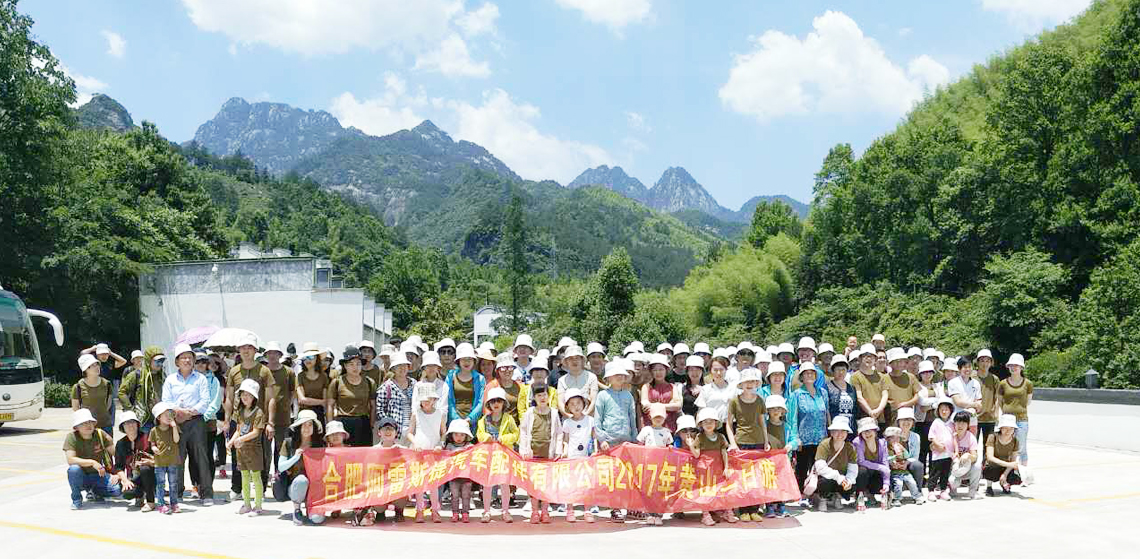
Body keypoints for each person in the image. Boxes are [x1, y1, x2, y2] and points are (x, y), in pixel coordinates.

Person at [161, 343, 216, 506]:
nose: (187, 360)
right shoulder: (170, 380)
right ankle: (177, 493)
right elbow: (166, 401)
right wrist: (178, 412)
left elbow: (205, 401)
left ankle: (206, 493)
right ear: (177, 361)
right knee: (177, 458)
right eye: (183, 358)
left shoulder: (200, 379)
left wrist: (188, 413)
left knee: (201, 457)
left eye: (190, 357)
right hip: (176, 422)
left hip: (196, 422)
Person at [225, 337, 274, 498]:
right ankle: (237, 488)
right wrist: (227, 420)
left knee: (261, 453)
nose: (246, 350)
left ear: (255, 350)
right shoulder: (233, 371)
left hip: (258, 419)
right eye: (242, 347)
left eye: (250, 347)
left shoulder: (264, 371)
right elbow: (229, 397)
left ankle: (261, 488)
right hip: (238, 418)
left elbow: (270, 398)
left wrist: (270, 422)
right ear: (238, 350)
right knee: (237, 452)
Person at [725, 368, 767, 522]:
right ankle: (743, 509)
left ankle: (754, 509)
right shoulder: (734, 401)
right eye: (747, 381)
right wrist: (733, 443)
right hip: (741, 442)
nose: (750, 384)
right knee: (742, 477)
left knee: (756, 476)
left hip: (758, 442)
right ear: (741, 384)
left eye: (753, 381)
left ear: (757, 383)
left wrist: (766, 441)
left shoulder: (760, 400)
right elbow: (728, 424)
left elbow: (762, 422)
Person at [519, 381, 561, 524]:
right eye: (539, 395)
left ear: (549, 396)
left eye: (544, 395)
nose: (542, 398)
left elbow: (559, 433)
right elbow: (524, 431)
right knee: (534, 484)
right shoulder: (529, 413)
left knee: (547, 484)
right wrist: (524, 450)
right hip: (533, 454)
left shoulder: (554, 413)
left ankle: (545, 511)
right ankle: (534, 511)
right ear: (534, 398)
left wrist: (558, 450)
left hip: (548, 454)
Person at [64, 408, 122, 509]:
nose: (88, 425)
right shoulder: (71, 437)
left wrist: (118, 474)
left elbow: (117, 455)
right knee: (73, 469)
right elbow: (71, 460)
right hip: (82, 476)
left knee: (117, 490)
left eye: (90, 422)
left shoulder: (100, 434)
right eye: (84, 423)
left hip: (98, 475)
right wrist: (92, 462)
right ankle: (77, 499)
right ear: (77, 427)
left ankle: (95, 492)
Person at [689, 408, 738, 526]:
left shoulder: (721, 437)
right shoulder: (700, 437)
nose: (709, 424)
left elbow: (724, 453)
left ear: (716, 423)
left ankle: (728, 511)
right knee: (705, 491)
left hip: (718, 468)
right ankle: (705, 514)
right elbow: (696, 454)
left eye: (711, 421)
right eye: (705, 422)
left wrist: (726, 467)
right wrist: (691, 445)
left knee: (723, 489)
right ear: (701, 424)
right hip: (705, 470)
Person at [476, 387, 517, 523]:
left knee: (504, 484)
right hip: (488, 456)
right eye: (493, 401)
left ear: (504, 403)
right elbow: (479, 434)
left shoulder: (509, 419)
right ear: (489, 404)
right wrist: (485, 437)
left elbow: (516, 434)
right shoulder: (483, 420)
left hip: (504, 456)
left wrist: (504, 439)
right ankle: (487, 511)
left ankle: (505, 510)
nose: (496, 403)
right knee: (487, 484)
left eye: (499, 400)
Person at [278, 409, 325, 525]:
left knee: (317, 519)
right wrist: (295, 458)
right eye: (303, 424)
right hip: (296, 486)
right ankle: (297, 509)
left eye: (310, 424)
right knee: (301, 480)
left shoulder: (320, 445)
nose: (307, 428)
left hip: (315, 489)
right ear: (299, 427)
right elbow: (280, 467)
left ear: (314, 427)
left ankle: (311, 508)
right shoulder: (289, 442)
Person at [560, 388, 599, 523]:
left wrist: (595, 450)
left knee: (586, 483)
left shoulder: (590, 420)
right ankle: (570, 509)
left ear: (584, 403)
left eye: (578, 403)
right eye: (572, 404)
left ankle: (587, 510)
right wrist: (565, 451)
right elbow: (566, 439)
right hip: (572, 456)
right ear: (567, 407)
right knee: (571, 483)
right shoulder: (567, 422)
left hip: (586, 456)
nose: (576, 406)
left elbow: (594, 437)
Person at [788, 364, 827, 498]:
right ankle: (800, 494)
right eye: (806, 373)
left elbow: (826, 413)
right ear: (802, 377)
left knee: (819, 467)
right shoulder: (796, 395)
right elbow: (793, 418)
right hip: (803, 439)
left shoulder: (823, 393)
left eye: (812, 373)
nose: (809, 375)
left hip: (821, 437)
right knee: (802, 468)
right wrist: (795, 438)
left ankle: (816, 494)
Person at [228, 378, 266, 516]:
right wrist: (231, 441)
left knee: (256, 477)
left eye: (248, 395)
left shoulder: (259, 412)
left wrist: (240, 439)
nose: (245, 397)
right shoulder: (240, 411)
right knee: (244, 476)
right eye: (243, 394)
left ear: (254, 397)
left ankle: (258, 505)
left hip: (254, 450)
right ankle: (247, 504)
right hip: (241, 450)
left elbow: (256, 432)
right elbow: (238, 430)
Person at [409, 383, 446, 523]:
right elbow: (410, 433)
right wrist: (415, 443)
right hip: (418, 453)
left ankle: (435, 510)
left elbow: (444, 433)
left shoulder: (440, 414)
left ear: (434, 399)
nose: (426, 402)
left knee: (434, 484)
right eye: (423, 399)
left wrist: (440, 444)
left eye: (429, 399)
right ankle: (419, 510)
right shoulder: (416, 413)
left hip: (434, 452)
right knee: (419, 483)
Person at [326, 345, 376, 447]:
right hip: (342, 424)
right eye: (351, 364)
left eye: (358, 364)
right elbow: (330, 405)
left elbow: (373, 406)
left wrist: (371, 424)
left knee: (363, 454)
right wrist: (331, 427)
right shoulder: (337, 382)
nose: (355, 367)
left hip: (363, 423)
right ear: (345, 365)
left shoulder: (369, 382)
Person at [636, 403, 672, 526]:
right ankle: (649, 514)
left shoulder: (667, 432)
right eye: (656, 416)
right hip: (647, 466)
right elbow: (639, 445)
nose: (658, 419)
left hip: (661, 467)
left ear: (665, 417)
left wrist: (670, 448)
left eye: (660, 416)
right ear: (650, 417)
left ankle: (658, 514)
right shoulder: (646, 430)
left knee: (659, 490)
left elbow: (670, 446)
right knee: (648, 489)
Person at [263, 341, 295, 477]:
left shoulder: (289, 372)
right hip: (264, 416)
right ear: (266, 355)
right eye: (269, 353)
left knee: (281, 449)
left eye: (275, 353)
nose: (272, 355)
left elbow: (292, 391)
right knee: (265, 450)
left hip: (283, 416)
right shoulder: (262, 371)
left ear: (280, 355)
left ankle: (279, 476)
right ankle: (263, 477)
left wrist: (287, 404)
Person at [112, 411, 155, 511]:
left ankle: (150, 501)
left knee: (145, 469)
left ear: (137, 424)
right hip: (134, 476)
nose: (130, 425)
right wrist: (125, 480)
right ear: (122, 427)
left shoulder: (147, 438)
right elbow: (118, 466)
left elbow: (160, 459)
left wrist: (151, 462)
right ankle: (140, 494)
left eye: (132, 422)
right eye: (126, 423)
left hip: (151, 474)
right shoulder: (120, 443)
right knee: (127, 493)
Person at [118, 346, 166, 433]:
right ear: (148, 360)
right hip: (144, 420)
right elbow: (122, 392)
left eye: (162, 361)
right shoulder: (137, 374)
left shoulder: (162, 376)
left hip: (160, 419)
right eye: (157, 361)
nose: (160, 363)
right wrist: (131, 410)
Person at [814, 417, 857, 512]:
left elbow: (853, 469)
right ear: (832, 432)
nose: (840, 434)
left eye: (843, 431)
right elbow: (820, 467)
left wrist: (849, 480)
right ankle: (823, 498)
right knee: (824, 482)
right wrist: (839, 477)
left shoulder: (850, 447)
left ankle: (838, 497)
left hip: (842, 477)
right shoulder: (824, 444)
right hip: (827, 477)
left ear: (847, 433)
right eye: (836, 431)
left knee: (853, 483)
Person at [997, 353, 1032, 469]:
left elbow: (1028, 401)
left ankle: (1023, 471)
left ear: (1021, 367)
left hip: (1022, 419)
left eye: (1016, 365)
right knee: (1006, 446)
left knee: (1021, 447)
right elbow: (1000, 401)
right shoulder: (1003, 383)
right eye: (1011, 365)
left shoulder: (1028, 383)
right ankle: (1008, 470)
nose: (1013, 367)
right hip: (1007, 421)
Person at [594, 361, 638, 451]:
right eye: (616, 374)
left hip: (626, 440)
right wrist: (602, 440)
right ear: (608, 378)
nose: (619, 376)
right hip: (608, 442)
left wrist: (634, 437)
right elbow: (598, 418)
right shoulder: (602, 395)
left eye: (622, 374)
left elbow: (632, 417)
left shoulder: (628, 395)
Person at [81, 343, 127, 428]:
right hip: (95, 391)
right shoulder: (92, 364)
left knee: (109, 414)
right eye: (101, 354)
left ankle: (108, 429)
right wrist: (92, 349)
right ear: (97, 354)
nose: (104, 356)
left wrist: (111, 353)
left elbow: (123, 361)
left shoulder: (110, 364)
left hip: (108, 392)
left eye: (106, 354)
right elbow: (82, 354)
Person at [150, 401, 182, 515]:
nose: (169, 417)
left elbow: (176, 440)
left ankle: (174, 503)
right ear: (158, 417)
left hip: (172, 461)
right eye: (166, 415)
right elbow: (152, 444)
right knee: (160, 484)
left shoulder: (174, 428)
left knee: (173, 483)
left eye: (171, 414)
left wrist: (174, 427)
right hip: (160, 462)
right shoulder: (154, 431)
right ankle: (161, 504)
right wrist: (154, 448)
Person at [852, 417, 889, 511]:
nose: (867, 433)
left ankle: (885, 495)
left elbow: (885, 463)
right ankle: (859, 496)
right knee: (862, 471)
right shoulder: (857, 442)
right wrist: (880, 467)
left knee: (887, 473)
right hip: (863, 473)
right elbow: (861, 461)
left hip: (875, 474)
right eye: (864, 431)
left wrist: (886, 483)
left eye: (869, 430)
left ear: (875, 431)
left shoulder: (882, 443)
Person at [446, 343, 486, 430]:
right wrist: (456, 419)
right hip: (453, 422)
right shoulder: (450, 376)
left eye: (469, 359)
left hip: (473, 423)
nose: (466, 362)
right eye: (463, 359)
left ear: (474, 361)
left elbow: (480, 402)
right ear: (458, 361)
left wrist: (470, 419)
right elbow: (448, 400)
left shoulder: (480, 378)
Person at [72, 354, 114, 435]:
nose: (97, 367)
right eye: (92, 365)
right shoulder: (78, 386)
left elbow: (108, 403)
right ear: (85, 369)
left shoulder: (107, 384)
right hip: (87, 427)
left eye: (97, 364)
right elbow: (75, 408)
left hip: (106, 425)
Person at [763, 395, 790, 518]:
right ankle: (769, 506)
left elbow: (794, 438)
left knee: (782, 482)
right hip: (768, 460)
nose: (775, 411)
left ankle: (781, 505)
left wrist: (791, 445)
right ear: (767, 410)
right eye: (772, 408)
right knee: (769, 482)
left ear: (783, 411)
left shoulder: (786, 426)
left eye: (778, 408)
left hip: (782, 460)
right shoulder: (764, 425)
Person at [444, 419, 476, 523]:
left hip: (466, 476)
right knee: (454, 495)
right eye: (456, 434)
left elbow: (475, 455)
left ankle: (465, 513)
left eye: (462, 435)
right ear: (451, 435)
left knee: (466, 495)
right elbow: (445, 458)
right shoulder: (449, 446)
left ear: (466, 435)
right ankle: (455, 513)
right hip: (453, 476)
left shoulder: (469, 446)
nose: (459, 437)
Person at [851, 346, 888, 432]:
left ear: (875, 359)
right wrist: (870, 412)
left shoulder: (882, 376)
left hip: (880, 418)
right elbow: (859, 397)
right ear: (860, 359)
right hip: (863, 417)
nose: (869, 358)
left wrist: (878, 410)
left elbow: (885, 395)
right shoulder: (855, 376)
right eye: (865, 356)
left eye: (871, 356)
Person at [984, 414, 1023, 496]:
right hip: (993, 465)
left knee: (1016, 476)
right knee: (990, 469)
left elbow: (1013, 460)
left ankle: (1004, 484)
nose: (1008, 431)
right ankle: (989, 486)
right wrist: (1008, 464)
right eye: (1005, 428)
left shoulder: (1015, 441)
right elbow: (990, 457)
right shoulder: (993, 437)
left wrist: (1005, 474)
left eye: (1011, 428)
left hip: (1006, 467)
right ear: (1001, 428)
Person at [641, 353, 681, 431]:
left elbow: (678, 405)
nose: (658, 372)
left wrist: (656, 405)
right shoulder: (646, 387)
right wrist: (669, 406)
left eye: (661, 369)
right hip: (651, 425)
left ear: (666, 370)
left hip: (669, 426)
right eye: (655, 370)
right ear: (651, 371)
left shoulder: (672, 387)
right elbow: (645, 405)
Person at [927, 398, 956, 500]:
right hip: (938, 454)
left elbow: (954, 437)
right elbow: (931, 436)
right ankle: (931, 491)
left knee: (945, 473)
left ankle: (943, 490)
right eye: (941, 409)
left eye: (946, 409)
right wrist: (937, 445)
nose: (944, 411)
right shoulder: (936, 422)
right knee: (935, 473)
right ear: (938, 411)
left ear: (950, 411)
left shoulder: (952, 423)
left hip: (948, 454)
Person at [557, 346, 599, 417]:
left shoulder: (592, 377)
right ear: (566, 361)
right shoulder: (562, 380)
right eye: (571, 358)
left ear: (582, 360)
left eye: (577, 358)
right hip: (568, 419)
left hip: (589, 418)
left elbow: (594, 400)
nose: (574, 361)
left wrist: (584, 416)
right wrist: (570, 416)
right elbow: (560, 402)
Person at [948, 410, 982, 499]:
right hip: (953, 470)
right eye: (958, 422)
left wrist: (968, 455)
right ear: (954, 424)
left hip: (966, 468)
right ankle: (951, 489)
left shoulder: (971, 437)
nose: (960, 425)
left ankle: (973, 492)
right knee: (953, 482)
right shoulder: (950, 437)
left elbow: (975, 457)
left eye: (963, 423)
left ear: (968, 425)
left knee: (977, 466)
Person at [883, 348, 920, 428]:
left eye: (902, 361)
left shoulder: (911, 377)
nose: (900, 364)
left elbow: (917, 396)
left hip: (907, 415)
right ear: (890, 363)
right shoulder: (883, 378)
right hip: (890, 416)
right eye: (897, 361)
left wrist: (904, 404)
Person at [296, 343, 331, 428]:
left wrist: (328, 423)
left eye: (311, 357)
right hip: (304, 415)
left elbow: (326, 402)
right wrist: (321, 402)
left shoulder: (324, 376)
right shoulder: (300, 376)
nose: (307, 360)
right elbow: (302, 400)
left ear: (317, 358)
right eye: (305, 357)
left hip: (319, 414)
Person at [885, 426, 920, 506]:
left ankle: (916, 496)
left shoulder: (901, 447)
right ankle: (897, 498)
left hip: (904, 470)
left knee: (912, 482)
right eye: (892, 438)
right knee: (898, 483)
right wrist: (894, 457)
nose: (895, 440)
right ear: (888, 439)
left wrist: (903, 451)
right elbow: (886, 458)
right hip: (894, 471)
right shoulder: (887, 449)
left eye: (897, 438)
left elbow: (907, 456)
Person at [895, 407, 925, 500]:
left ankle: (918, 492)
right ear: (898, 422)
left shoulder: (916, 436)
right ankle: (893, 494)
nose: (906, 422)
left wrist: (906, 462)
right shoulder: (892, 435)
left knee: (918, 465)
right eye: (903, 419)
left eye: (909, 420)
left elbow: (915, 456)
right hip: (895, 463)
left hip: (909, 463)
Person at [695, 357, 737, 423]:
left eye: (721, 369)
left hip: (732, 425)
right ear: (710, 371)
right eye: (715, 370)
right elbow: (700, 412)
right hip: (712, 426)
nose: (718, 373)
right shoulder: (706, 389)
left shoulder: (734, 388)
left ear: (726, 370)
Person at [517, 356, 557, 424]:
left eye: (542, 370)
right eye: (536, 370)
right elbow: (521, 410)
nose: (539, 374)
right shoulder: (524, 389)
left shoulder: (552, 391)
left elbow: (553, 409)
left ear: (546, 373)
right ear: (531, 373)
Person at [974, 349, 1001, 444]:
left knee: (988, 445)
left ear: (991, 363)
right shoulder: (972, 377)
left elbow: (998, 397)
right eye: (982, 361)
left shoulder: (994, 379)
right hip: (974, 417)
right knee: (973, 445)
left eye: (987, 361)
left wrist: (996, 412)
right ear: (977, 362)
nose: (985, 364)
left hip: (989, 418)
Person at [486, 353, 523, 418]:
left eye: (510, 367)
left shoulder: (520, 386)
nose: (507, 371)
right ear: (498, 370)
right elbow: (487, 410)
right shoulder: (491, 386)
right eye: (503, 368)